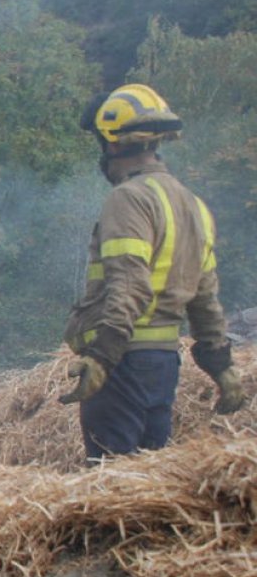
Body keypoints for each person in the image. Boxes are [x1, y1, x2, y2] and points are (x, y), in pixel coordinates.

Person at [60, 83, 248, 463]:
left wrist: (100, 358)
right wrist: (220, 365)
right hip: (162, 364)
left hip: (124, 362)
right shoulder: (192, 204)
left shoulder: (129, 198)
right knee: (147, 479)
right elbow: (206, 297)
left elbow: (130, 285)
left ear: (113, 145)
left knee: (110, 477)